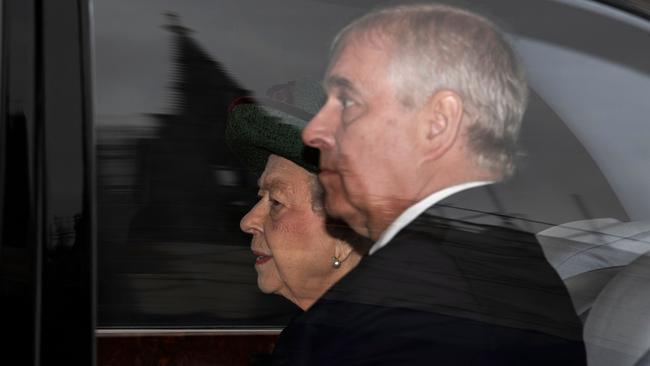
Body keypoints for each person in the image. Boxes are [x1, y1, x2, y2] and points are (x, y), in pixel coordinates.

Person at [292, 4, 587, 365]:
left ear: (438, 122)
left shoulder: (415, 293)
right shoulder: (501, 257)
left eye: (348, 101)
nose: (313, 132)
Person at [226, 79, 370, 312]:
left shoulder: (388, 343)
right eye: (260, 197)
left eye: (276, 202)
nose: (247, 222)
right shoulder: (318, 338)